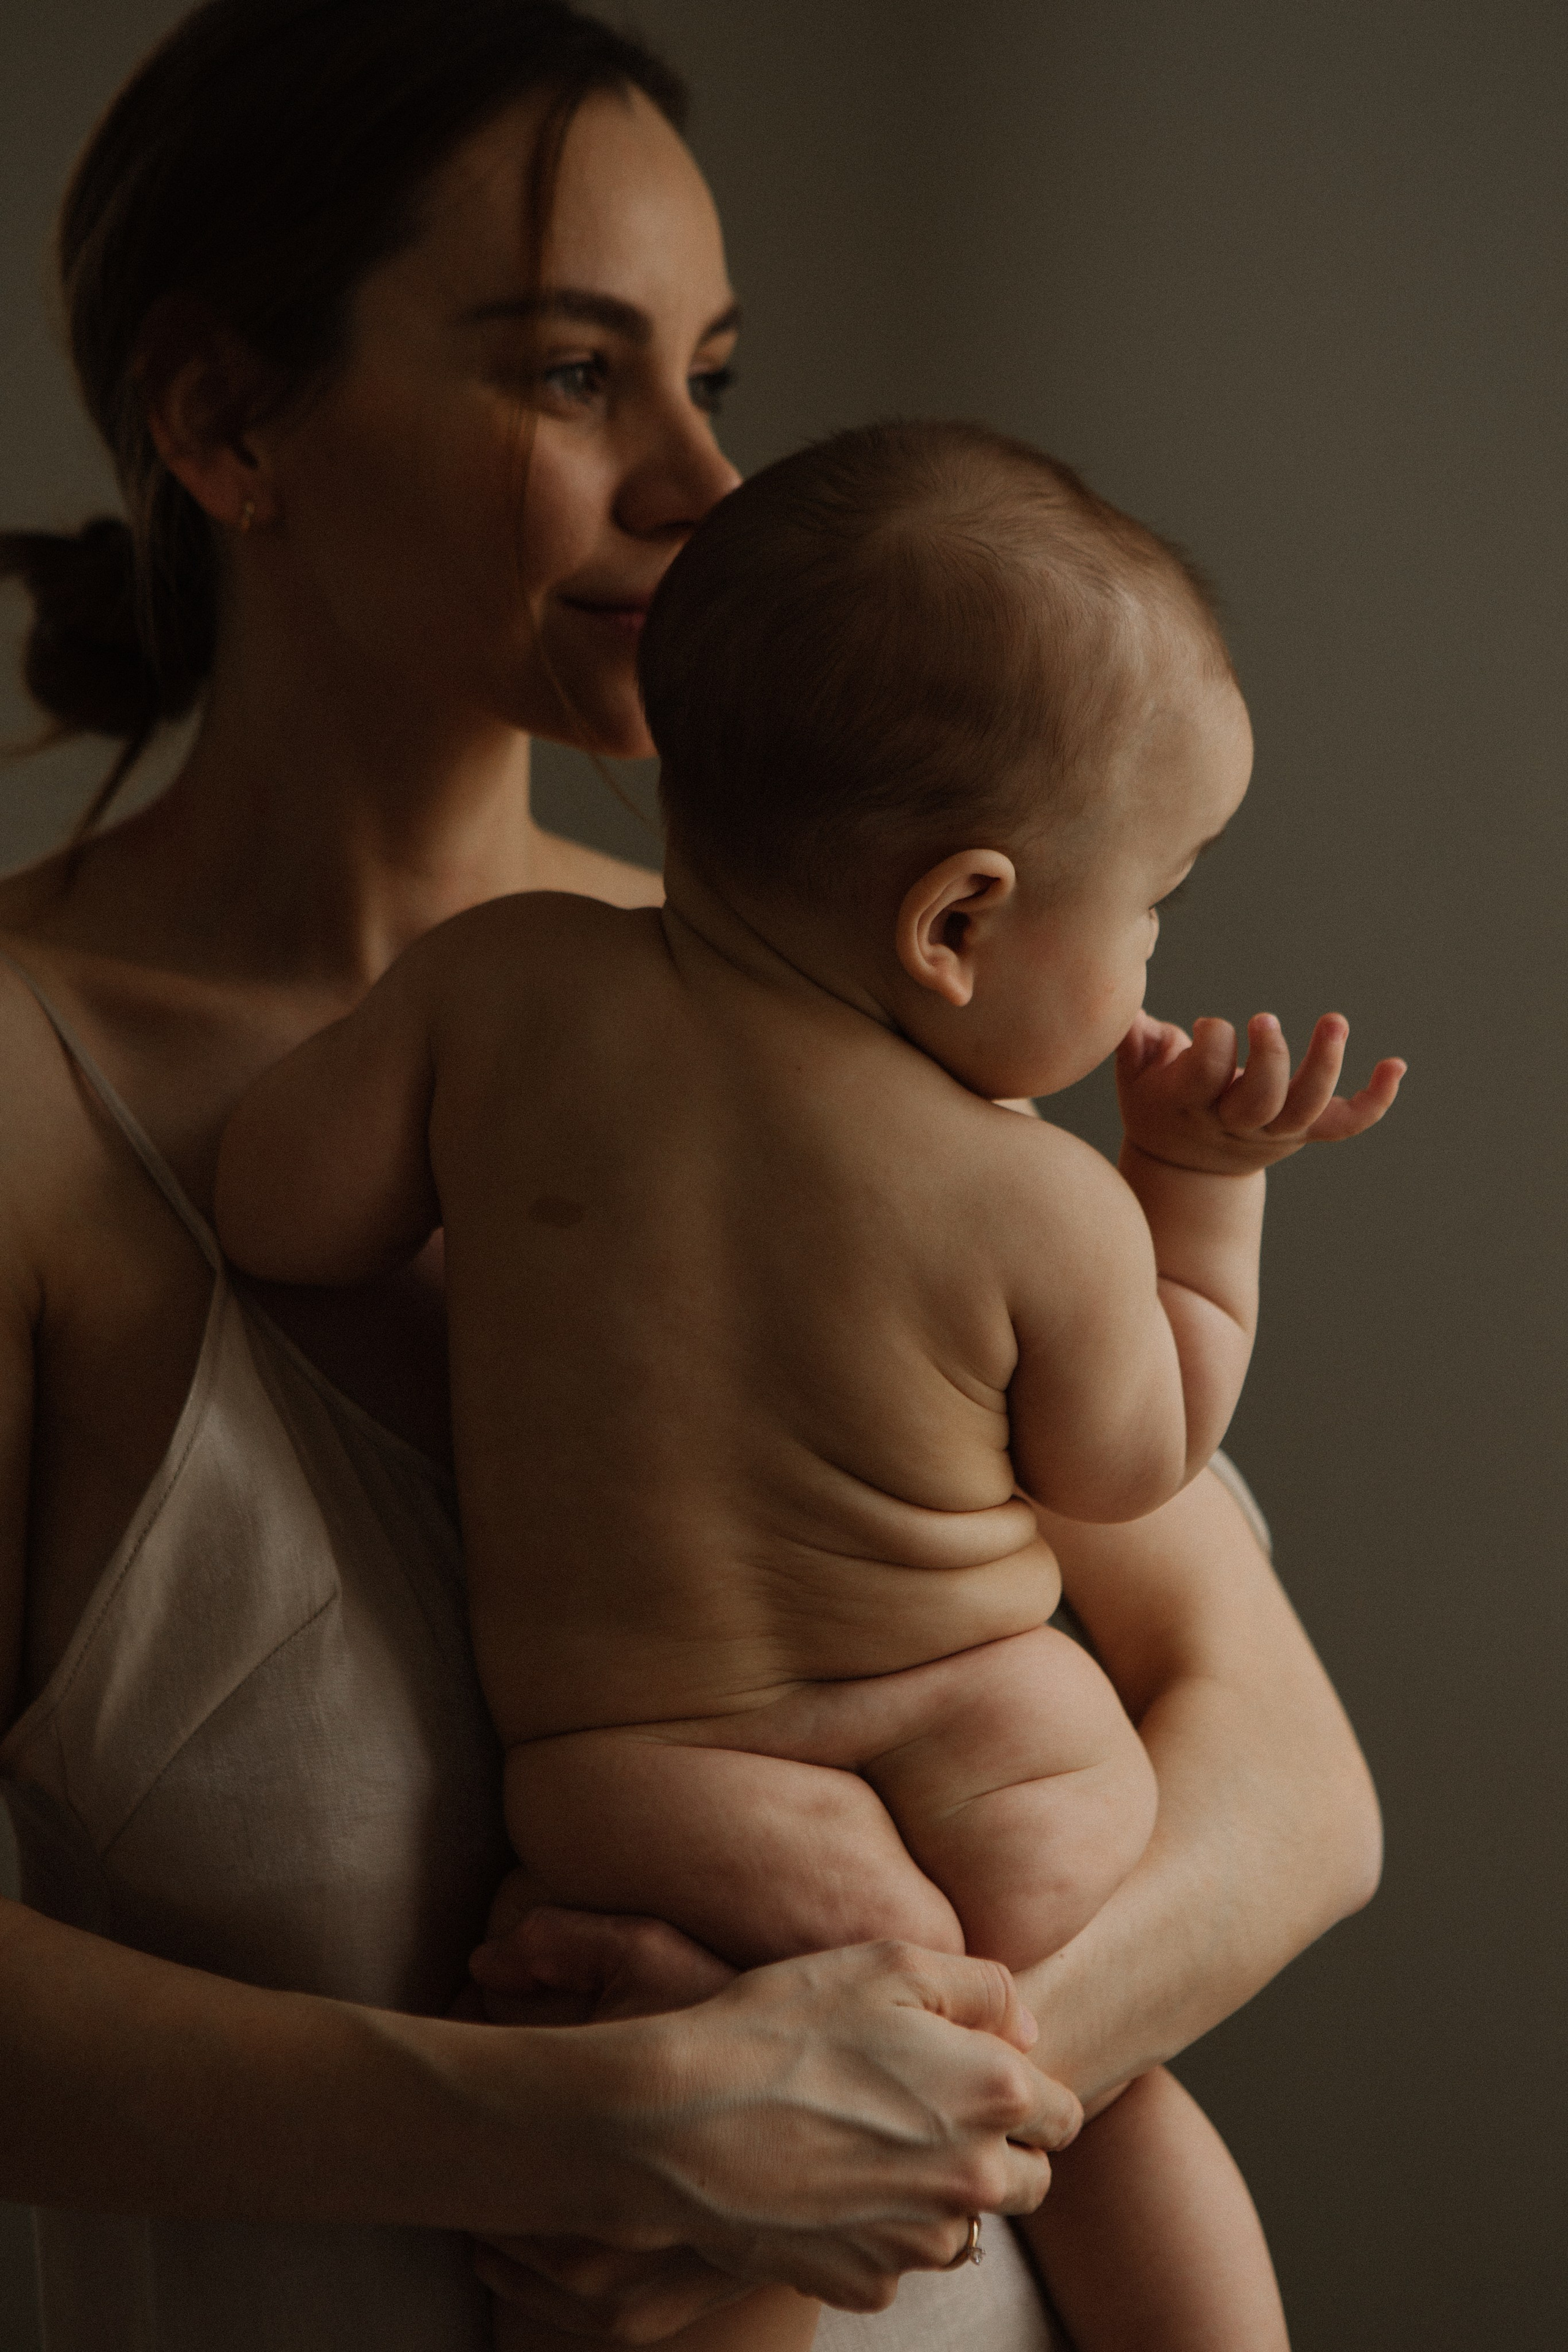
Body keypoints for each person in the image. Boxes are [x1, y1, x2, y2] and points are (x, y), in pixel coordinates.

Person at [0, 4, 1381, 2346]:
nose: (706, 484)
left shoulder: (859, 1021)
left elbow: (1297, 1789)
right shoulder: (40, 1100)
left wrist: (856, 2118)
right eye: (574, 373)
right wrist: (587, 2134)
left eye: (714, 376)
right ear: (225, 419)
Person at [214, 421, 1403, 2352]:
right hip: (1004, 1750)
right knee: (1100, 2108)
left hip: (669, 1792)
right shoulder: (1036, 1198)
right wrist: (1198, 1199)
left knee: (736, 2127)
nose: (1153, 961)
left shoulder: (500, 989)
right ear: (957, 924)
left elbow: (276, 1212)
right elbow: (1135, 1457)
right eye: (1155, 905)